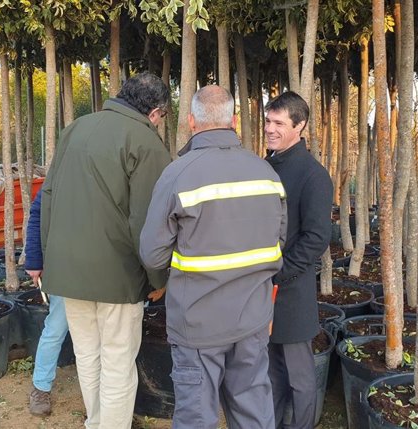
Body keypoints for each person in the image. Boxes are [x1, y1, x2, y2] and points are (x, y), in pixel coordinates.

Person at [139, 85, 287, 429]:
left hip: (198, 323)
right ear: (234, 120)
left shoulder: (178, 174)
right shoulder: (267, 173)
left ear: (191, 121)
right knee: (253, 410)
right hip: (252, 318)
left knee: (197, 417)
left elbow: (152, 254)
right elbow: (280, 240)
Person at [40, 72, 171, 429]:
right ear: (157, 112)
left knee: (88, 355)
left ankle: (96, 422)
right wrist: (159, 277)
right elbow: (147, 221)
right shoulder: (146, 142)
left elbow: (48, 198)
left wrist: (50, 259)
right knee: (117, 362)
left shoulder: (75, 128)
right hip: (118, 276)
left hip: (66, 271)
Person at [264, 91, 333, 429]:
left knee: (300, 377)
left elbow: (317, 237)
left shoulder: (313, 175)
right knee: (272, 371)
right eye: (268, 121)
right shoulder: (264, 167)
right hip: (263, 288)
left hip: (291, 292)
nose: (270, 128)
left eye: (279, 123)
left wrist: (280, 273)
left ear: (300, 125)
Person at [24, 192, 69, 416]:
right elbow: (38, 215)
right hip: (66, 267)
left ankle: (104, 394)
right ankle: (41, 387)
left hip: (103, 270)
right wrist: (33, 259)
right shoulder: (60, 172)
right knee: (56, 328)